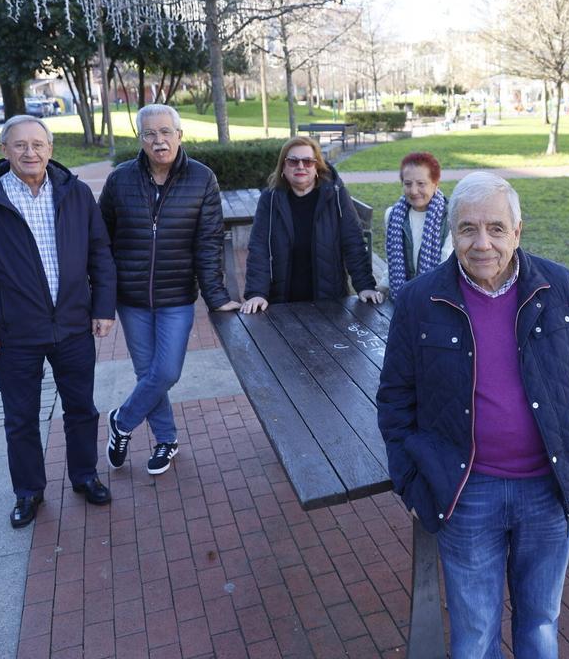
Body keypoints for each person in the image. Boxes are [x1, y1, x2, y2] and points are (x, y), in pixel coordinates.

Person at [376, 171, 569, 658]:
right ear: (453, 233)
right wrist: (410, 483)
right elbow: (395, 400)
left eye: (496, 228)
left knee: (540, 624)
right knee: (474, 634)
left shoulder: (558, 286)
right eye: (468, 229)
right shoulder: (421, 300)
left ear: (517, 231)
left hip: (549, 488)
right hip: (466, 492)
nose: (482, 243)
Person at [0, 115, 117, 528]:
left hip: (73, 324)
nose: (30, 152)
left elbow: (100, 253)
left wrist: (103, 307)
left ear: (50, 149)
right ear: (3, 150)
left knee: (82, 409)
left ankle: (85, 475)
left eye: (38, 144)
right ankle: (28, 491)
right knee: (21, 417)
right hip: (14, 333)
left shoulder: (76, 194)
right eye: (20, 145)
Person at [99, 104, 240, 476]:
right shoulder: (120, 179)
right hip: (131, 297)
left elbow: (208, 242)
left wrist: (217, 296)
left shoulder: (202, 178)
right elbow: (101, 240)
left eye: (165, 132)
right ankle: (166, 440)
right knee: (146, 372)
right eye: (150, 133)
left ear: (179, 135)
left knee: (165, 372)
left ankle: (121, 421)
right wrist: (102, 298)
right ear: (140, 138)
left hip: (176, 296)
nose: (158, 140)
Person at [240, 136, 382, 313]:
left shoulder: (336, 195)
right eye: (293, 161)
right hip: (281, 302)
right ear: (283, 167)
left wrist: (365, 286)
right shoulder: (270, 198)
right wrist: (256, 293)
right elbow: (259, 247)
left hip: (330, 302)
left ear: (317, 167)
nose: (300, 166)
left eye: (307, 161)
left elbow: (353, 241)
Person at [383, 151, 452, 298]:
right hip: (401, 298)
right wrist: (383, 286)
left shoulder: (449, 218)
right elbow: (392, 262)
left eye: (421, 184)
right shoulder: (393, 216)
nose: (414, 191)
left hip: (439, 297)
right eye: (408, 184)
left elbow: (446, 268)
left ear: (435, 184)